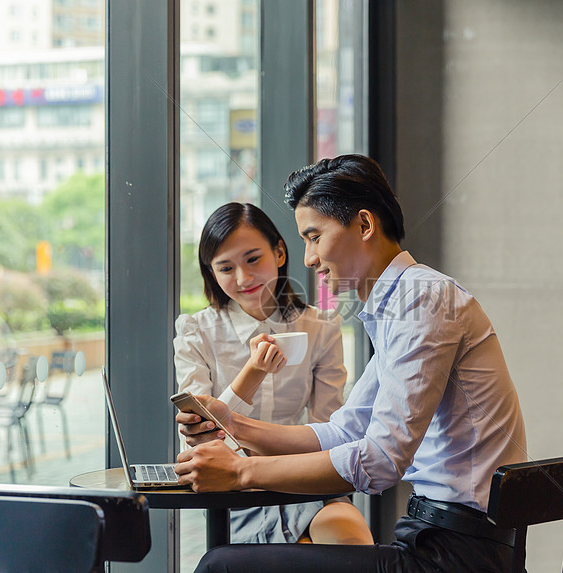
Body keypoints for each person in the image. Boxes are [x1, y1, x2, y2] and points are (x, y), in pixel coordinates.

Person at [174, 155, 527, 572]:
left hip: (458, 554)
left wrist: (243, 472)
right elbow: (345, 430)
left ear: (364, 225)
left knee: (222, 566)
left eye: (314, 236)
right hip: (438, 537)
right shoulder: (400, 303)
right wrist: (234, 425)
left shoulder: (423, 300)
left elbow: (379, 460)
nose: (308, 258)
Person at [173, 202, 372, 545]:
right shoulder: (196, 332)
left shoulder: (320, 327)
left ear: (279, 252)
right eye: (225, 268)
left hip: (303, 484)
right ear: (211, 273)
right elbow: (200, 438)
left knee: (348, 536)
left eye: (253, 259)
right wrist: (253, 372)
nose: (243, 278)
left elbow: (331, 431)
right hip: (232, 495)